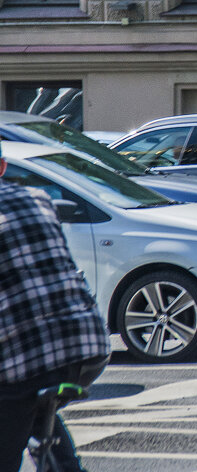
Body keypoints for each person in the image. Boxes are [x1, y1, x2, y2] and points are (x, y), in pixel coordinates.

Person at [0, 141, 110, 472]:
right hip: (88, 345)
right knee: (32, 402)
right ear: (3, 167)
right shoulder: (38, 198)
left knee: (17, 393)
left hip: (24, 359)